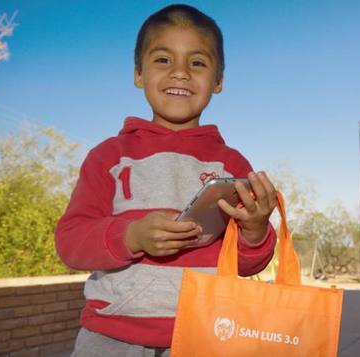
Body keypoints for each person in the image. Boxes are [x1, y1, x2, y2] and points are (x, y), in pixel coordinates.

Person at [55, 4, 277, 356]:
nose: (180, 73)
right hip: (111, 337)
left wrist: (255, 231)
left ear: (218, 81)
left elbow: (247, 265)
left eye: (198, 63)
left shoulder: (232, 164)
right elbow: (69, 242)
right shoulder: (109, 156)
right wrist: (131, 236)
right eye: (163, 60)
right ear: (138, 74)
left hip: (205, 336)